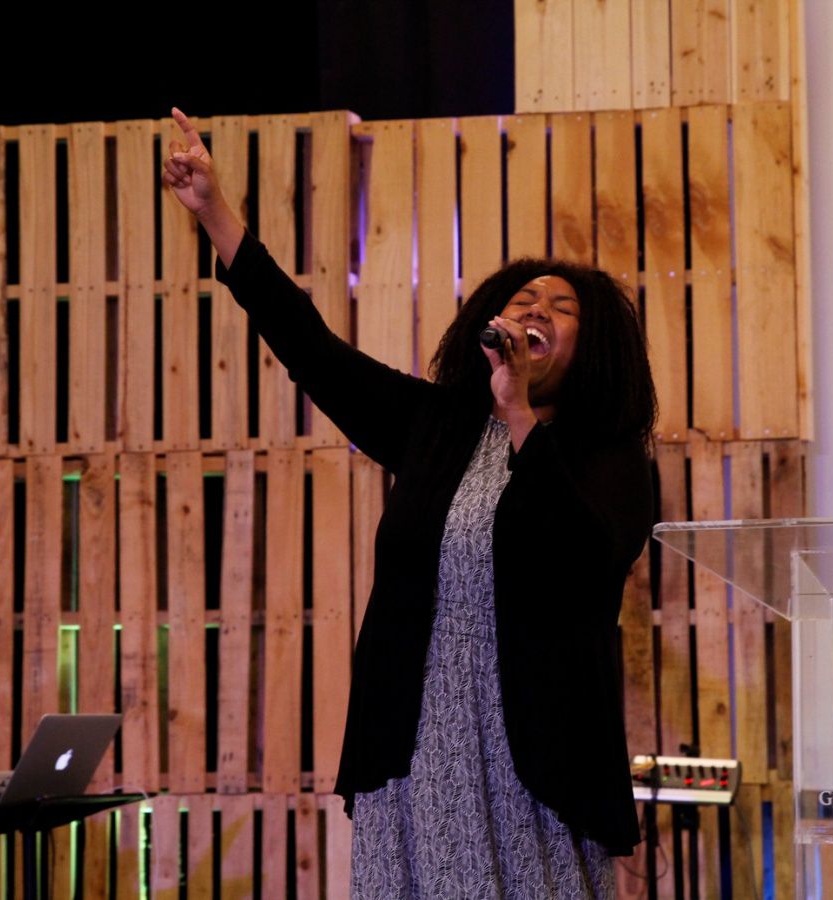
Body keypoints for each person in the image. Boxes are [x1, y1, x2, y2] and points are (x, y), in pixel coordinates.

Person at [163, 108, 656, 899]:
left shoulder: (612, 460)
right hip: (416, 735)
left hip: (537, 755)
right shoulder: (435, 426)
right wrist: (216, 213)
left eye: (562, 308)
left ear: (592, 347)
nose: (536, 309)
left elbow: (582, 561)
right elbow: (313, 349)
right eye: (523, 298)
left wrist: (519, 413)